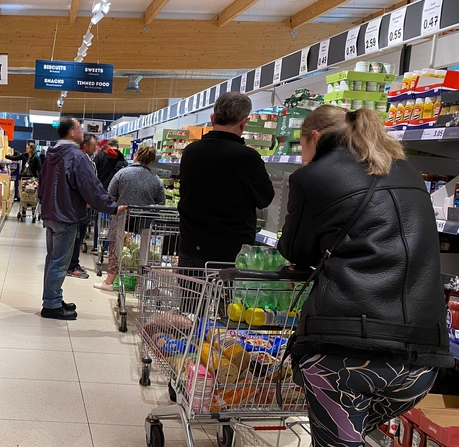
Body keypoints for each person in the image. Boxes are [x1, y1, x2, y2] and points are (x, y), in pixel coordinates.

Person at [277, 106, 453, 446]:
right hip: (420, 363)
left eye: (301, 146)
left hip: (344, 355)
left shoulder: (313, 177)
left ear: (314, 137)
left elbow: (295, 249)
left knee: (338, 436)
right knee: (349, 436)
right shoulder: (411, 173)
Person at [39, 118, 126, 320]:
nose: (82, 130)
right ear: (71, 132)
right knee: (60, 262)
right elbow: (91, 187)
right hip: (66, 215)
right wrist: (112, 207)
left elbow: (43, 184)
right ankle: (51, 305)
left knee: (52, 259)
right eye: (79, 127)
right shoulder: (76, 157)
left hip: (51, 214)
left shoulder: (51, 155)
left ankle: (53, 297)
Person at [178, 92, 274, 267]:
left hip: (190, 249)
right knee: (224, 295)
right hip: (228, 255)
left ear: (213, 118)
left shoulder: (190, 152)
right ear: (244, 122)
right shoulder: (246, 157)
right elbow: (265, 198)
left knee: (190, 294)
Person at [94, 144, 166, 291]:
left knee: (116, 251)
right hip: (144, 224)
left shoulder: (122, 173)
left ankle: (108, 283)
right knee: (142, 253)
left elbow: (110, 195)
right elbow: (161, 203)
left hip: (122, 220)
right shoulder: (156, 179)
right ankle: (140, 285)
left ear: (137, 155)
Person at [67, 133, 98, 279]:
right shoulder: (83, 160)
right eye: (93, 145)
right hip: (80, 206)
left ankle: (71, 264)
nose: (95, 148)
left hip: (76, 205)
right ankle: (72, 266)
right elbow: (87, 184)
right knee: (77, 236)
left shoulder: (78, 159)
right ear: (85, 145)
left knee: (77, 236)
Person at [91, 139, 126, 255]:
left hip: (100, 193)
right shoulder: (122, 160)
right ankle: (108, 246)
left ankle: (97, 245)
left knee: (99, 220)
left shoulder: (99, 157)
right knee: (113, 221)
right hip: (116, 195)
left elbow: (92, 175)